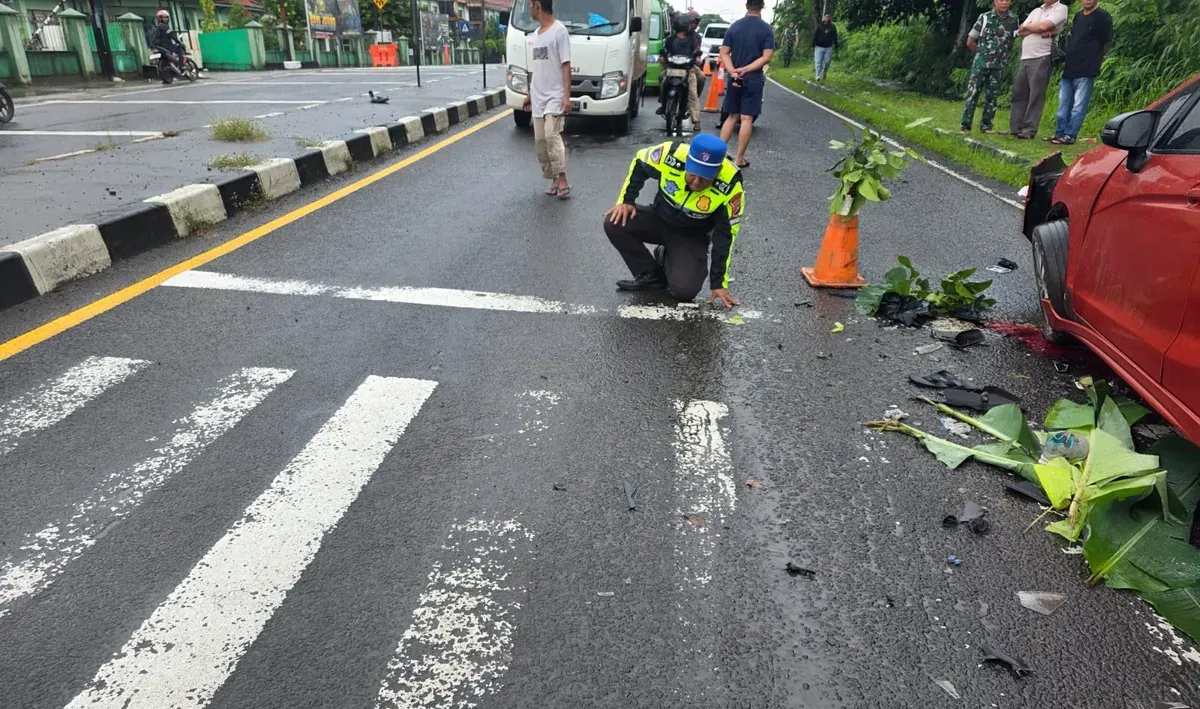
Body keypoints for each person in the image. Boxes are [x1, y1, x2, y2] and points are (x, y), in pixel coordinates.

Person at [603, 134, 745, 308]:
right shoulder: (671, 154)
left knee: (685, 291)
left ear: (718, 170)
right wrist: (626, 200)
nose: (696, 182)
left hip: (691, 236)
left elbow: (726, 236)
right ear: (688, 160)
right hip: (659, 218)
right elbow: (640, 161)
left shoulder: (731, 185)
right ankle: (650, 274)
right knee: (615, 221)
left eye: (705, 177)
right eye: (693, 174)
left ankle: (668, 255)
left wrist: (718, 283)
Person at [521, 0, 572, 198]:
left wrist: (566, 96)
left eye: (530, 4)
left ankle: (563, 180)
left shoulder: (560, 31)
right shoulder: (535, 35)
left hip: (555, 95)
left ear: (538, 5)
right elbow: (538, 68)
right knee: (541, 141)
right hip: (538, 96)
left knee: (552, 136)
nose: (529, 9)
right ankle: (553, 179)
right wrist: (530, 95)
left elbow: (566, 65)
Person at [718, 0, 775, 169]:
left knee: (731, 116)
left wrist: (733, 71)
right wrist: (746, 69)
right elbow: (766, 56)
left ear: (746, 5)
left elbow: (724, 53)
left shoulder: (734, 27)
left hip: (735, 78)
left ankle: (718, 155)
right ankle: (739, 159)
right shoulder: (766, 29)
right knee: (746, 118)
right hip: (753, 78)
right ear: (762, 7)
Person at [1051, 0, 1113, 145]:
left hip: (1087, 67)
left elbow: (1108, 41)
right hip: (1070, 66)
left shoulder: (1103, 16)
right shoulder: (1078, 16)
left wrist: (1099, 56)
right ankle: (1060, 133)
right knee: (1063, 105)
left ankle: (1070, 135)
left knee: (1078, 106)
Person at [1009, 0, 1068, 139]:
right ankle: (1015, 128)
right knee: (1019, 92)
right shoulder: (1036, 10)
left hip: (1042, 56)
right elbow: (1020, 31)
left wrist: (1031, 27)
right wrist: (1034, 28)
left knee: (1036, 94)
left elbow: (1043, 26)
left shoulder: (1060, 8)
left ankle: (1029, 130)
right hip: (1026, 56)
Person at [961, 0, 1020, 134]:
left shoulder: (1013, 19)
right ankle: (965, 126)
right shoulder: (985, 17)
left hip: (998, 65)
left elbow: (1012, 40)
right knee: (973, 94)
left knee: (992, 96)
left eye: (1006, 0)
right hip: (981, 64)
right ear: (995, 2)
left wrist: (1002, 55)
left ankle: (986, 126)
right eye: (1000, 0)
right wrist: (981, 55)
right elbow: (970, 41)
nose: (1003, 3)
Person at [656, 15, 702, 132]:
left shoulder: (693, 39)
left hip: (687, 69)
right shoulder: (670, 39)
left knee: (692, 93)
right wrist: (662, 57)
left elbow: (696, 51)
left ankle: (696, 120)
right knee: (663, 82)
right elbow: (665, 51)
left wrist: (697, 58)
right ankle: (663, 104)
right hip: (672, 68)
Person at [149, 10, 185, 84]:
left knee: (167, 59)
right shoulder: (164, 26)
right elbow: (172, 35)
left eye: (166, 17)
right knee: (180, 51)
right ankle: (181, 67)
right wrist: (179, 42)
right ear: (161, 18)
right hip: (167, 46)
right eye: (165, 17)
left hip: (158, 47)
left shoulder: (155, 27)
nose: (166, 19)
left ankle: (170, 73)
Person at [812, 14, 838, 81]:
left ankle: (824, 72)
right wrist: (812, 46)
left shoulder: (832, 26)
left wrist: (836, 45)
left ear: (830, 18)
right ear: (824, 18)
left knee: (827, 62)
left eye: (829, 17)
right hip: (819, 47)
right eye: (826, 17)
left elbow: (835, 36)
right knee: (818, 62)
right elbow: (815, 36)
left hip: (828, 47)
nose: (827, 18)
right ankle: (818, 76)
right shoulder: (819, 26)